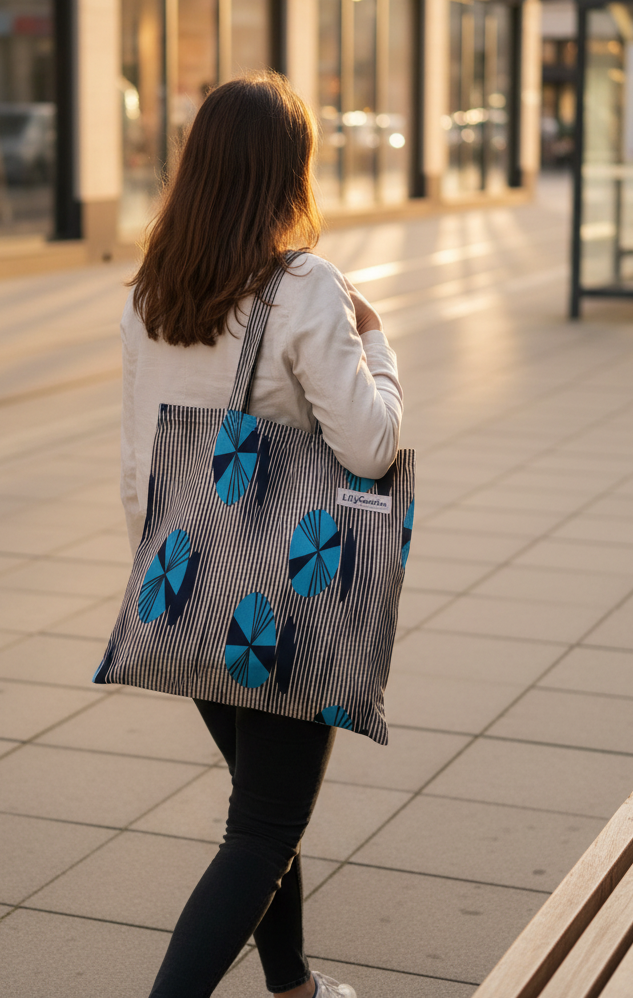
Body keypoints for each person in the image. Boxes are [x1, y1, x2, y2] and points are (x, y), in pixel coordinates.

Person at [121, 72, 403, 998]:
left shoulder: (153, 289)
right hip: (287, 596)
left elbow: (141, 463)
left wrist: (161, 571)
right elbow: (368, 448)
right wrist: (380, 348)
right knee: (264, 831)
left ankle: (295, 988)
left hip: (184, 587)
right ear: (288, 176)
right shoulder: (305, 287)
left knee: (261, 810)